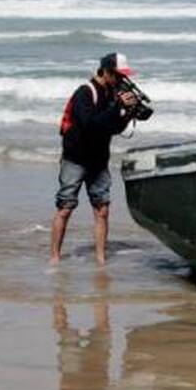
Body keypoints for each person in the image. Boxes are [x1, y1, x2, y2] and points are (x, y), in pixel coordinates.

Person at [50, 52, 140, 265]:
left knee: (102, 210)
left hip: (99, 160)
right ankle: (54, 257)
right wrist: (117, 107)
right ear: (106, 71)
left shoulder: (112, 94)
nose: (121, 80)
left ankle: (100, 259)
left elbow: (114, 127)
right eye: (118, 75)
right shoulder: (85, 92)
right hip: (76, 159)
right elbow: (90, 124)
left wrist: (128, 112)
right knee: (65, 208)